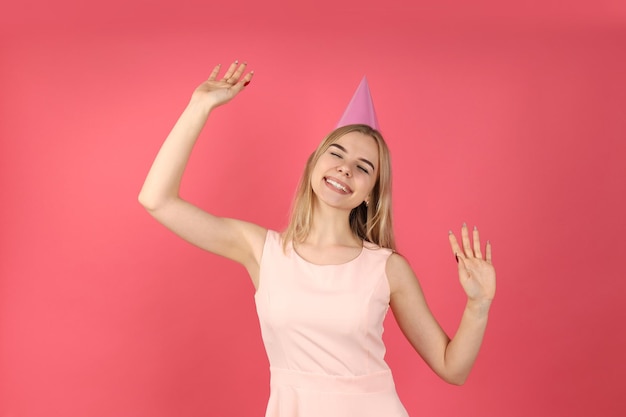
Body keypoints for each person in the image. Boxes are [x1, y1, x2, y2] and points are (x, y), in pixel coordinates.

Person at [138, 61, 497, 416]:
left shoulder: (386, 268)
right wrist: (199, 106)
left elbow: (453, 369)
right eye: (336, 154)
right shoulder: (263, 251)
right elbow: (157, 200)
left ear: (371, 193)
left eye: (363, 167)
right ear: (314, 164)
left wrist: (477, 305)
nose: (345, 168)